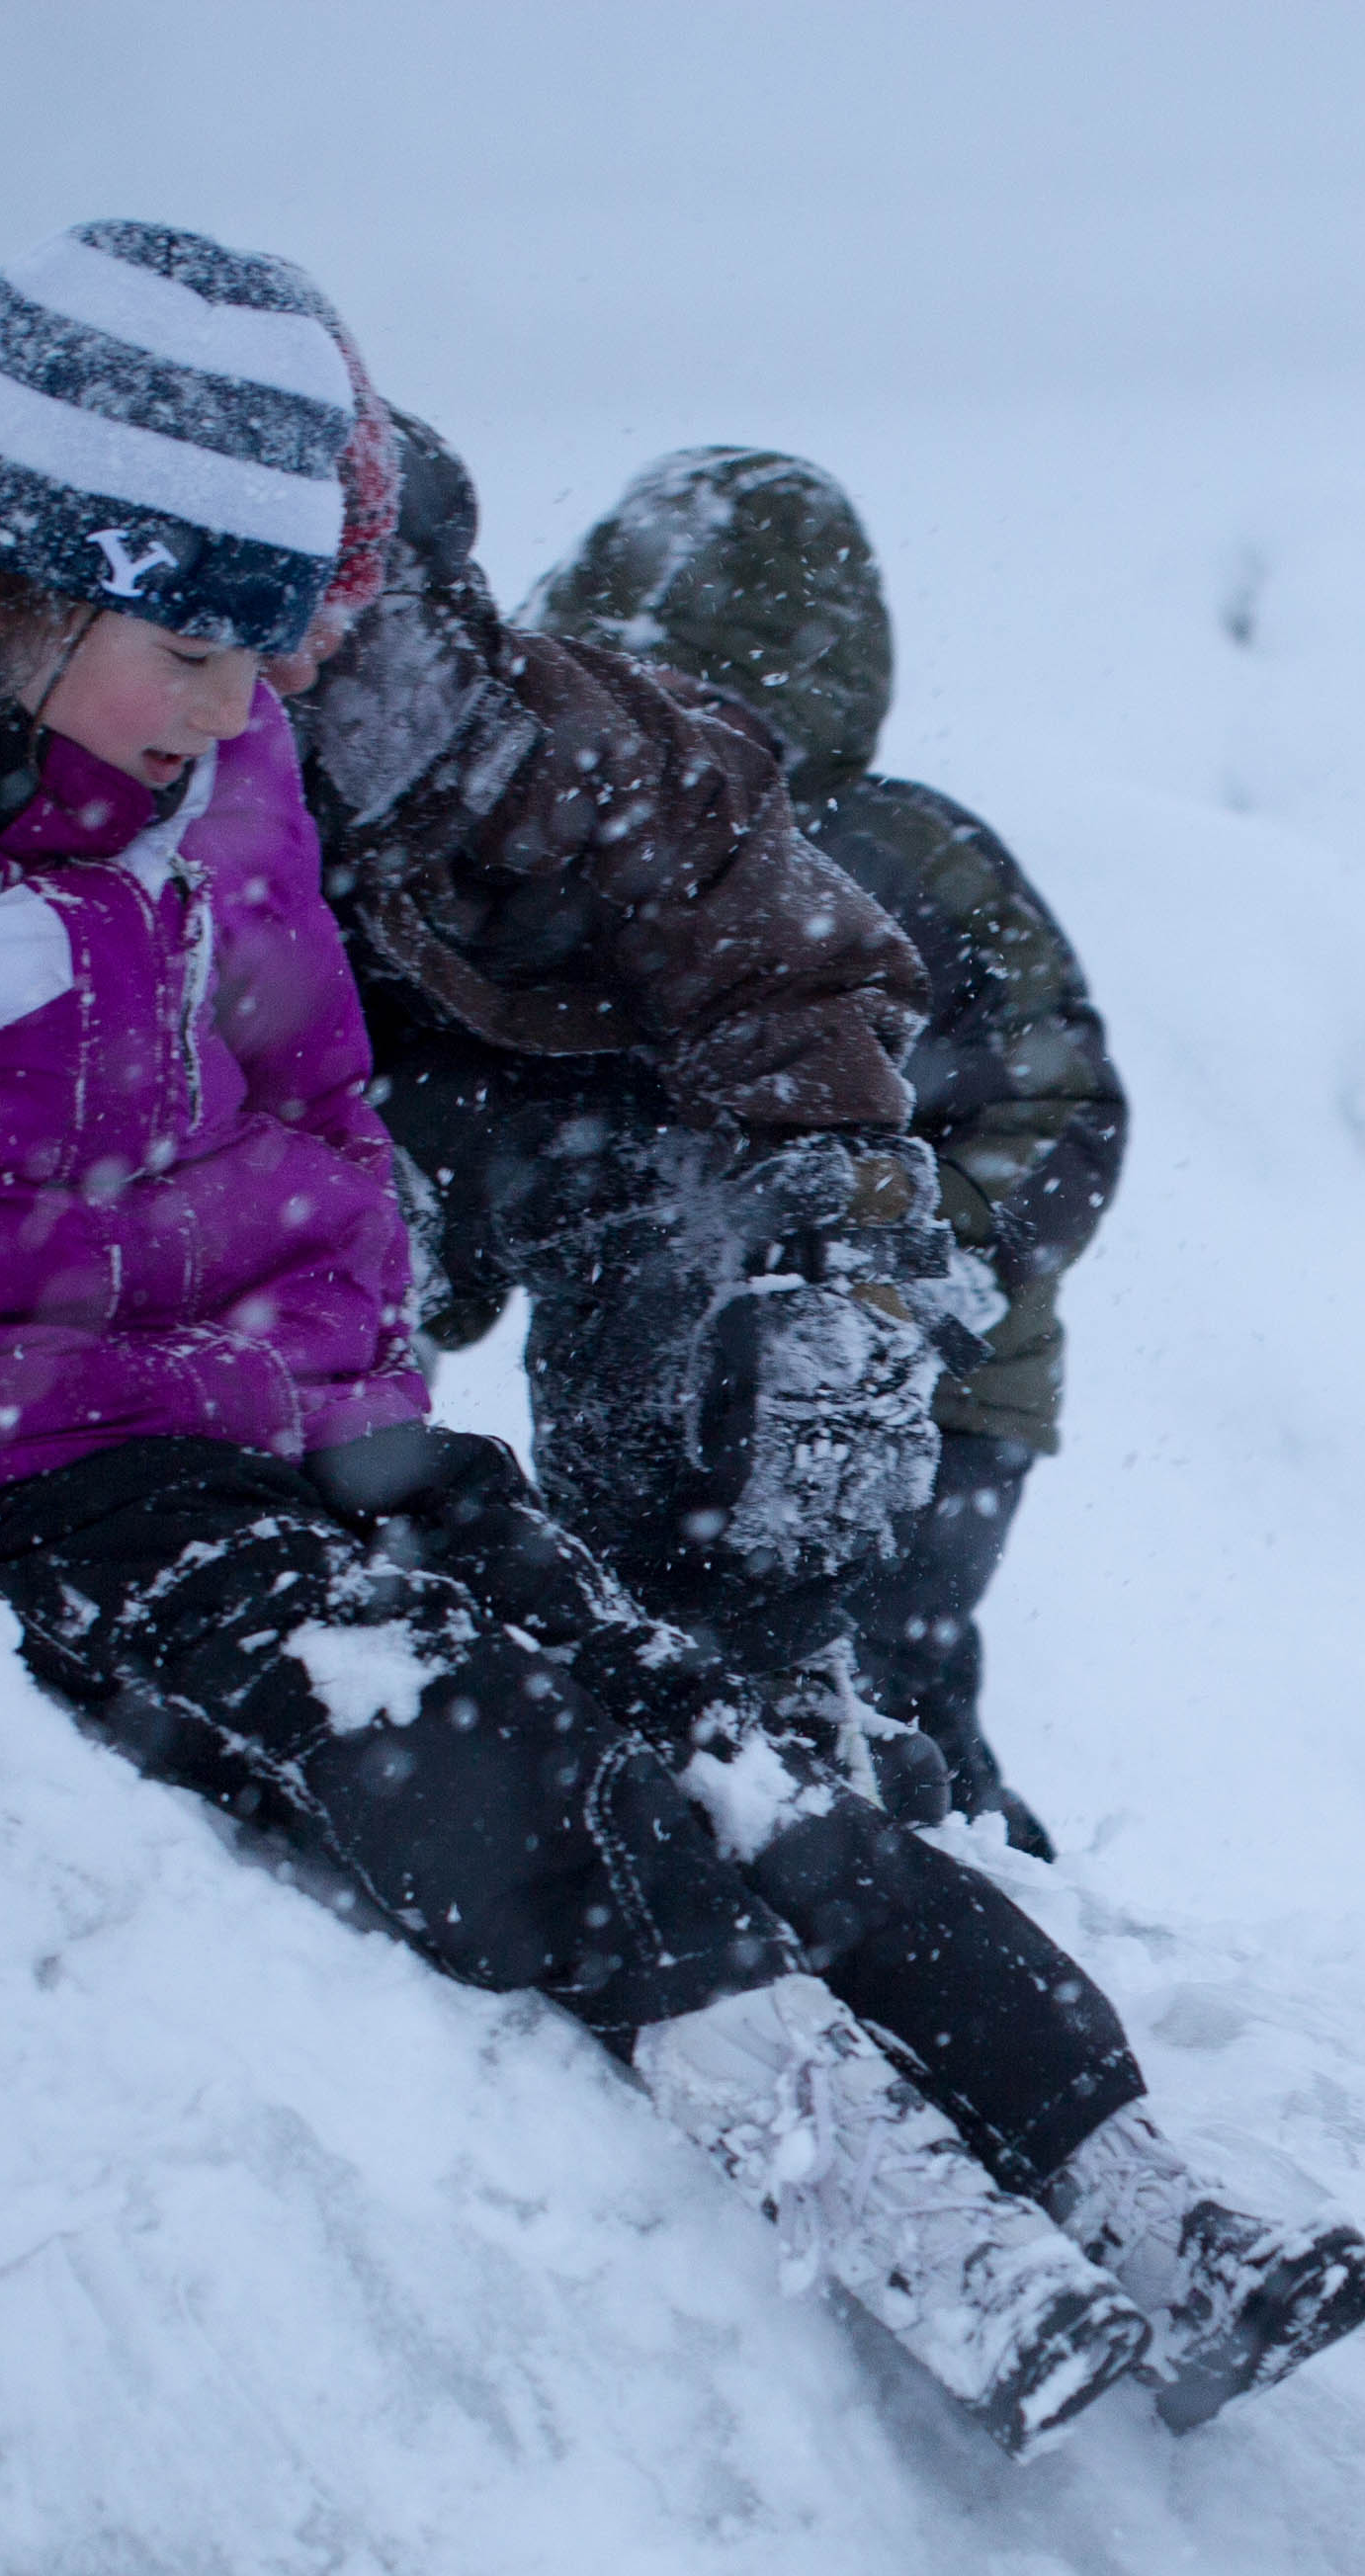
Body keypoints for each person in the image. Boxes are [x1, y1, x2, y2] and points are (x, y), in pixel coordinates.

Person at [0, 220, 1365, 2454]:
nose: (245, 696)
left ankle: (1119, 2171)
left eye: (272, 643)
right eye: (195, 644)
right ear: (21, 573)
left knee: (712, 1718)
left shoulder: (233, 743)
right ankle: (885, 2192)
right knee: (482, 1751)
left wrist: (364, 1368)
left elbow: (304, 1075)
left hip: (296, 1414)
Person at [316, 437, 1121, 1850]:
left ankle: (962, 1870)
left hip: (951, 1375)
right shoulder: (609, 845)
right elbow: (528, 1092)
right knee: (705, 1616)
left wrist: (929, 1262)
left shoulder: (904, 852)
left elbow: (1060, 1101)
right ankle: (804, 1835)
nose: (695, 731)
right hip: (715, 1318)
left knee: (892, 1651)